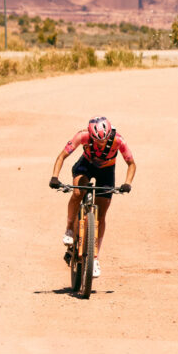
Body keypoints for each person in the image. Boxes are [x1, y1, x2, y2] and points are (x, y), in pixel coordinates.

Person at [49, 116, 135, 278]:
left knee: (101, 216)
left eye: (105, 140)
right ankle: (69, 228)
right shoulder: (82, 136)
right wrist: (55, 177)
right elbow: (61, 156)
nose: (102, 144)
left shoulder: (119, 141)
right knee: (77, 193)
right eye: (97, 141)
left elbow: (131, 163)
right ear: (90, 136)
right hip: (85, 167)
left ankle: (94, 258)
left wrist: (127, 183)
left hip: (107, 172)